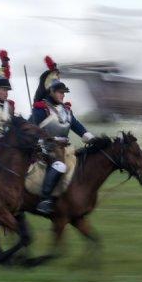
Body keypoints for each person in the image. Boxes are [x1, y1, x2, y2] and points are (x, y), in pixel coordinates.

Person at [30, 55, 95, 215]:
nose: (62, 95)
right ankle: (45, 200)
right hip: (48, 148)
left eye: (63, 92)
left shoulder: (66, 110)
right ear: (50, 91)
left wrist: (90, 137)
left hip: (65, 147)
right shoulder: (40, 109)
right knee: (60, 165)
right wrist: (38, 142)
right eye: (59, 92)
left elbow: (77, 126)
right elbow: (31, 128)